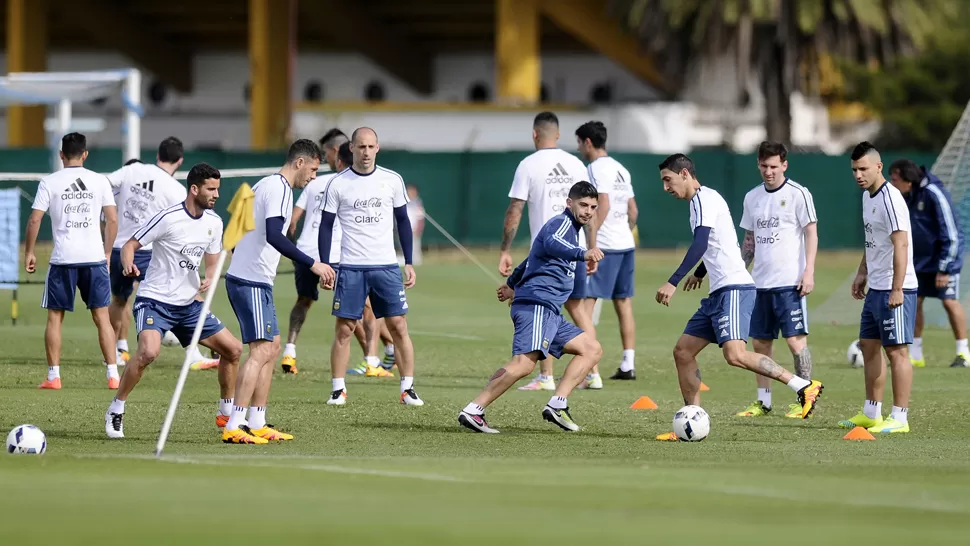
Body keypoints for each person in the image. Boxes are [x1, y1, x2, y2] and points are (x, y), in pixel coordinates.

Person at [652, 153, 823, 441]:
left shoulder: (705, 199)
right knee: (683, 351)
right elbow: (721, 244)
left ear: (684, 174)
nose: (666, 188)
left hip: (734, 288)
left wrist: (673, 281)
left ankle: (803, 386)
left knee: (735, 354)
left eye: (668, 180)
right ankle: (691, 420)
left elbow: (701, 242)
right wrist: (701, 273)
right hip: (719, 291)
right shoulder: (698, 203)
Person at [104, 163, 244, 439]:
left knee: (234, 350)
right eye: (211, 189)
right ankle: (116, 407)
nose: (216, 194)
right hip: (155, 300)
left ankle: (225, 413)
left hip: (189, 305)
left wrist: (210, 277)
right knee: (148, 353)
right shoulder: (168, 217)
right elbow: (130, 245)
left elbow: (214, 263)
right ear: (194, 189)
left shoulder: (214, 223)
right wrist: (129, 264)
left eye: (218, 189)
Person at [459, 182, 604, 433]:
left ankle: (557, 405)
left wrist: (511, 284)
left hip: (550, 311)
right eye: (583, 205)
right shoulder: (561, 224)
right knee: (523, 364)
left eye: (593, 207)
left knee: (591, 349)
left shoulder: (573, 230)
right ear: (569, 203)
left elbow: (531, 259)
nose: (588, 211)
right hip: (537, 304)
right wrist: (583, 253)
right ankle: (474, 409)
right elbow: (550, 243)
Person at [221, 139, 335, 444]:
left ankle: (257, 420)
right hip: (250, 281)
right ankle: (234, 424)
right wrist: (313, 264)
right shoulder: (279, 189)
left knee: (272, 347)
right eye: (312, 169)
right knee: (260, 352)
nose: (312, 177)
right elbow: (274, 235)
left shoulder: (265, 185)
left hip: (255, 278)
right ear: (299, 163)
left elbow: (235, 231)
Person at [318, 127, 423, 406]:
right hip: (351, 267)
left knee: (398, 326)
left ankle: (407, 388)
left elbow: (403, 221)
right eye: (360, 147)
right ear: (351, 148)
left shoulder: (392, 180)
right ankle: (338, 389)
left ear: (378, 148)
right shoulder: (337, 183)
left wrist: (409, 261)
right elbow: (326, 226)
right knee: (344, 329)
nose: (365, 152)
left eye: (370, 147)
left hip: (386, 266)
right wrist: (325, 264)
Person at [499, 111, 603, 391]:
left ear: (535, 134)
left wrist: (505, 250)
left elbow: (515, 209)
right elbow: (591, 211)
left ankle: (546, 376)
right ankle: (592, 371)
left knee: (546, 306)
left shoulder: (528, 165)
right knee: (578, 310)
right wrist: (591, 248)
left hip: (546, 253)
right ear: (557, 135)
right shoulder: (575, 163)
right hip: (577, 250)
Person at [106, 138, 220, 372]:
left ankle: (119, 348)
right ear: (179, 161)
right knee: (188, 292)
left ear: (157, 155)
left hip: (121, 247)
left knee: (119, 300)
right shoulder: (175, 188)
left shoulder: (133, 169)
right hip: (150, 250)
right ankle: (192, 351)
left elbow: (104, 184)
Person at [282, 137, 392, 376]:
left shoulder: (313, 182)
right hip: (333, 255)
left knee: (303, 301)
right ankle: (371, 361)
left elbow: (292, 220)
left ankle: (289, 352)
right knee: (359, 309)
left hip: (305, 253)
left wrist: (293, 250)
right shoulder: (349, 184)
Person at [24, 132, 120, 390]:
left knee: (55, 318)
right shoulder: (99, 181)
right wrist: (108, 253)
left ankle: (54, 376)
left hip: (63, 259)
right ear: (85, 154)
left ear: (61, 155)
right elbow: (112, 220)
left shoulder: (50, 182)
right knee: (102, 317)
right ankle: (113, 374)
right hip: (94, 259)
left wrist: (29, 252)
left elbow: (35, 219)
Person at [735, 141, 819, 418]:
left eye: (774, 166)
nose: (768, 171)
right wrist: (739, 270)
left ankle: (804, 396)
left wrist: (809, 272)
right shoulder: (752, 197)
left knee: (796, 342)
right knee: (760, 344)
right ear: (758, 165)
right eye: (764, 166)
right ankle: (764, 401)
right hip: (759, 284)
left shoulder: (799, 194)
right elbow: (750, 241)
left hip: (790, 283)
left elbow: (811, 233)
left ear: (784, 165)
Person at [841, 142, 917, 434]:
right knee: (869, 347)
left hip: (895, 289)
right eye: (854, 170)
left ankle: (900, 417)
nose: (858, 175)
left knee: (897, 352)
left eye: (863, 169)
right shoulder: (867, 197)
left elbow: (901, 243)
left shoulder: (891, 198)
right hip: (876, 288)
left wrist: (897, 289)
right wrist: (862, 272)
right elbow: (874, 239)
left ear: (878, 167)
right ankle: (872, 412)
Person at [889, 159, 968, 368]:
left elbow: (951, 231)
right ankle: (915, 354)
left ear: (908, 179)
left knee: (949, 301)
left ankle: (963, 352)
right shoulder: (905, 197)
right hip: (917, 262)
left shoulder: (934, 193)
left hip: (942, 260)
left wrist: (945, 268)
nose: (892, 183)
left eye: (895, 179)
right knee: (915, 302)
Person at [576, 121, 639, 381]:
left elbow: (603, 204)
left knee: (585, 306)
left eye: (580, 143)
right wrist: (624, 231)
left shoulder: (595, 168)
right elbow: (633, 211)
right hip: (626, 244)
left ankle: (590, 371)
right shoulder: (621, 169)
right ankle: (628, 364)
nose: (579, 148)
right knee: (623, 304)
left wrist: (593, 242)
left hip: (606, 247)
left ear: (588, 142)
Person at [398, 184, 425, 266]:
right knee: (404, 249)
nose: (410, 193)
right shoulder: (402, 202)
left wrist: (419, 229)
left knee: (415, 249)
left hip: (414, 230)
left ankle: (415, 263)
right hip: (404, 229)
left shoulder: (418, 203)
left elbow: (420, 218)